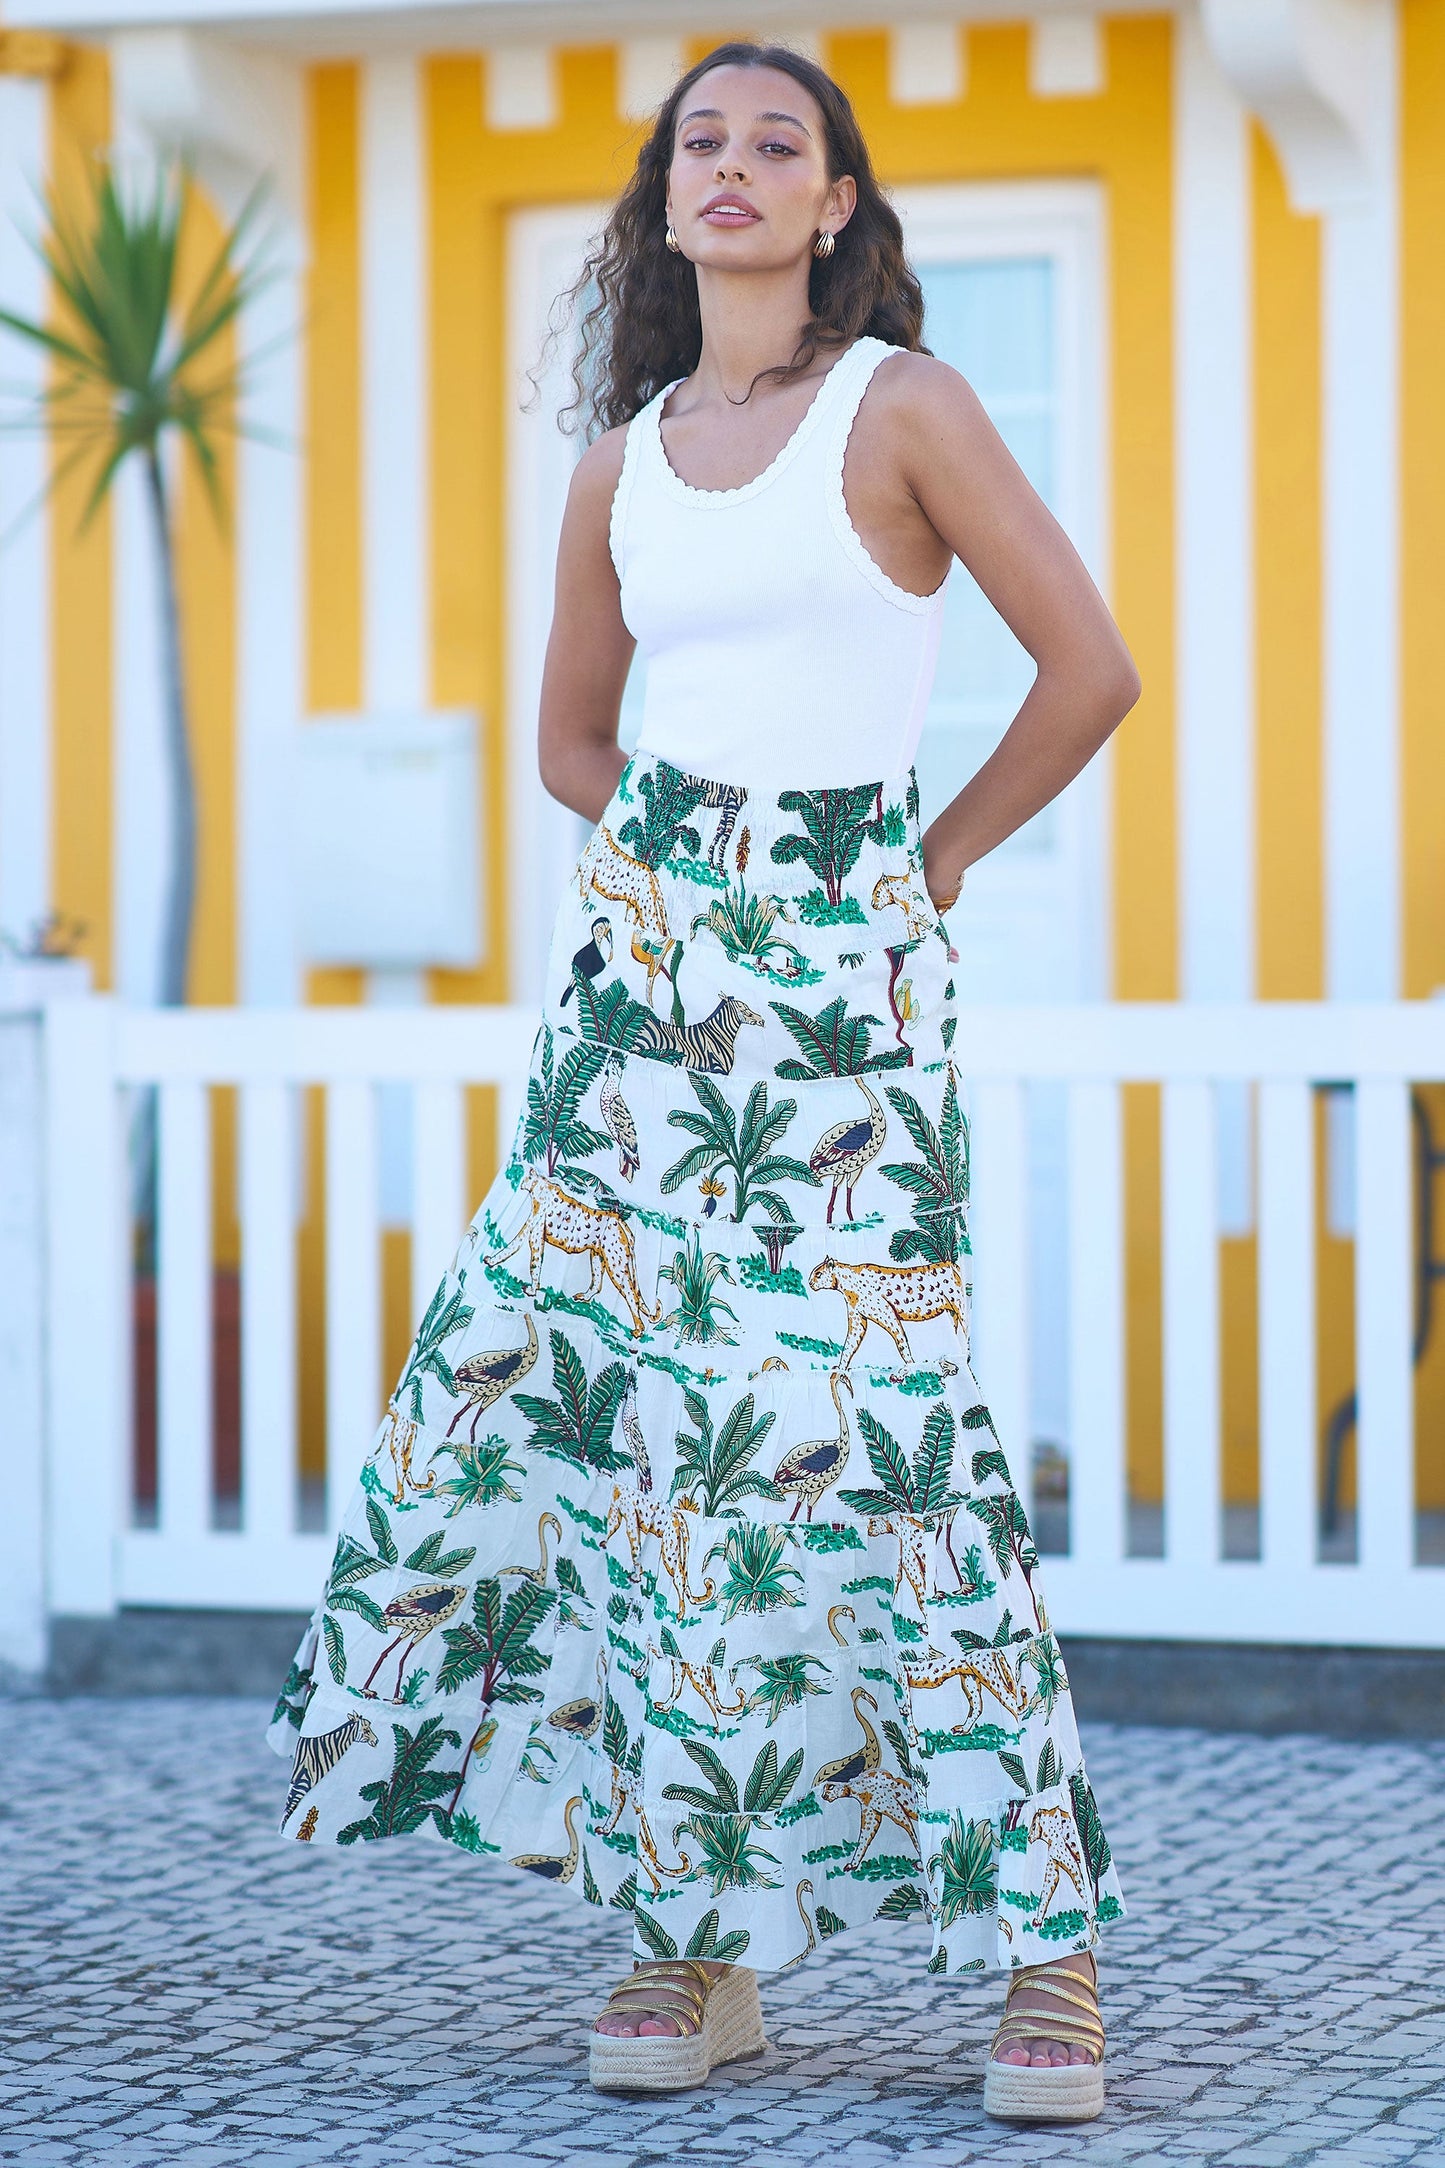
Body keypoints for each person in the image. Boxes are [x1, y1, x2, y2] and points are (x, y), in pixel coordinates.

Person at [268, 38, 1139, 2127]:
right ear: (664, 206)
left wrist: (915, 864)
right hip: (643, 1010)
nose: (732, 169)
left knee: (889, 1438)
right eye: (700, 147)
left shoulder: (902, 406)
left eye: (779, 146)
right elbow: (578, 740)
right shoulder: (617, 463)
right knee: (647, 1438)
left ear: (838, 203)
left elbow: (1088, 667)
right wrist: (681, 860)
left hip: (841, 995)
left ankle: (1047, 1954)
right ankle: (697, 1933)